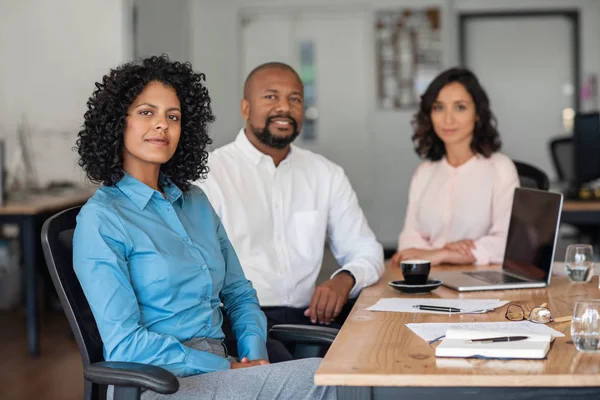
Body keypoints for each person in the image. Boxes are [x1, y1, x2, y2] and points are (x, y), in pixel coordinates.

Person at [73, 55, 335, 400]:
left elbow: (239, 294)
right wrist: (227, 370)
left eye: (173, 116)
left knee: (342, 374)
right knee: (330, 379)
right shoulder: (102, 219)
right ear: (116, 122)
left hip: (224, 368)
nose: (161, 125)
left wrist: (254, 357)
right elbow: (125, 345)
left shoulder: (194, 201)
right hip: (159, 384)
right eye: (146, 112)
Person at [195, 62, 384, 362]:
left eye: (295, 99)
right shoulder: (210, 175)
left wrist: (344, 278)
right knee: (307, 380)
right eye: (271, 97)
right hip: (238, 324)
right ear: (245, 108)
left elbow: (367, 250)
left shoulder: (326, 174)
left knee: (375, 362)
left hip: (311, 318)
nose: (284, 107)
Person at [391, 67, 519, 267]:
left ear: (477, 114)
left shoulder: (500, 168)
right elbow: (408, 242)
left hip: (483, 283)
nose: (448, 119)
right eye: (439, 107)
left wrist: (442, 255)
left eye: (460, 107)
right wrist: (443, 252)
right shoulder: (425, 173)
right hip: (431, 280)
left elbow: (506, 243)